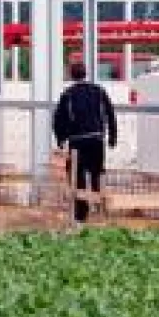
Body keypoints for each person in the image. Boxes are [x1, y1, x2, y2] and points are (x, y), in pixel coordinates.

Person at [52, 61, 118, 224]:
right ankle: (99, 208)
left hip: (77, 142)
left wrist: (60, 138)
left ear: (71, 75)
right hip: (96, 139)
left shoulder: (67, 94)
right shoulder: (99, 91)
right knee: (97, 173)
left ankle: (81, 213)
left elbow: (58, 119)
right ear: (86, 73)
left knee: (76, 175)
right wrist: (112, 137)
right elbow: (110, 113)